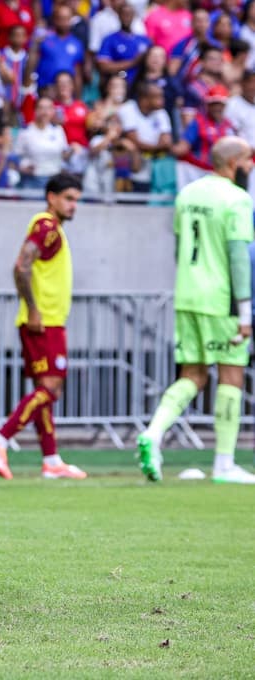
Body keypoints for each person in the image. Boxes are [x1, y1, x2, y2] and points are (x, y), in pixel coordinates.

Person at [137, 137, 255, 484]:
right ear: (234, 162)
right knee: (232, 373)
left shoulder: (187, 194)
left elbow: (179, 248)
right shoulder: (237, 199)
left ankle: (153, 434)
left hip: (188, 294)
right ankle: (224, 463)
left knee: (193, 374)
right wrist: (245, 313)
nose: (251, 167)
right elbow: (238, 258)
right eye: (249, 160)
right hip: (222, 300)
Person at [0, 173, 88, 481]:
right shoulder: (47, 227)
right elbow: (21, 265)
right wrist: (34, 308)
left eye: (76, 200)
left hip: (47, 321)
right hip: (44, 322)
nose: (73, 205)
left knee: (46, 391)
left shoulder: (51, 229)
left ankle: (51, 459)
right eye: (68, 198)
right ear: (51, 197)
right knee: (50, 389)